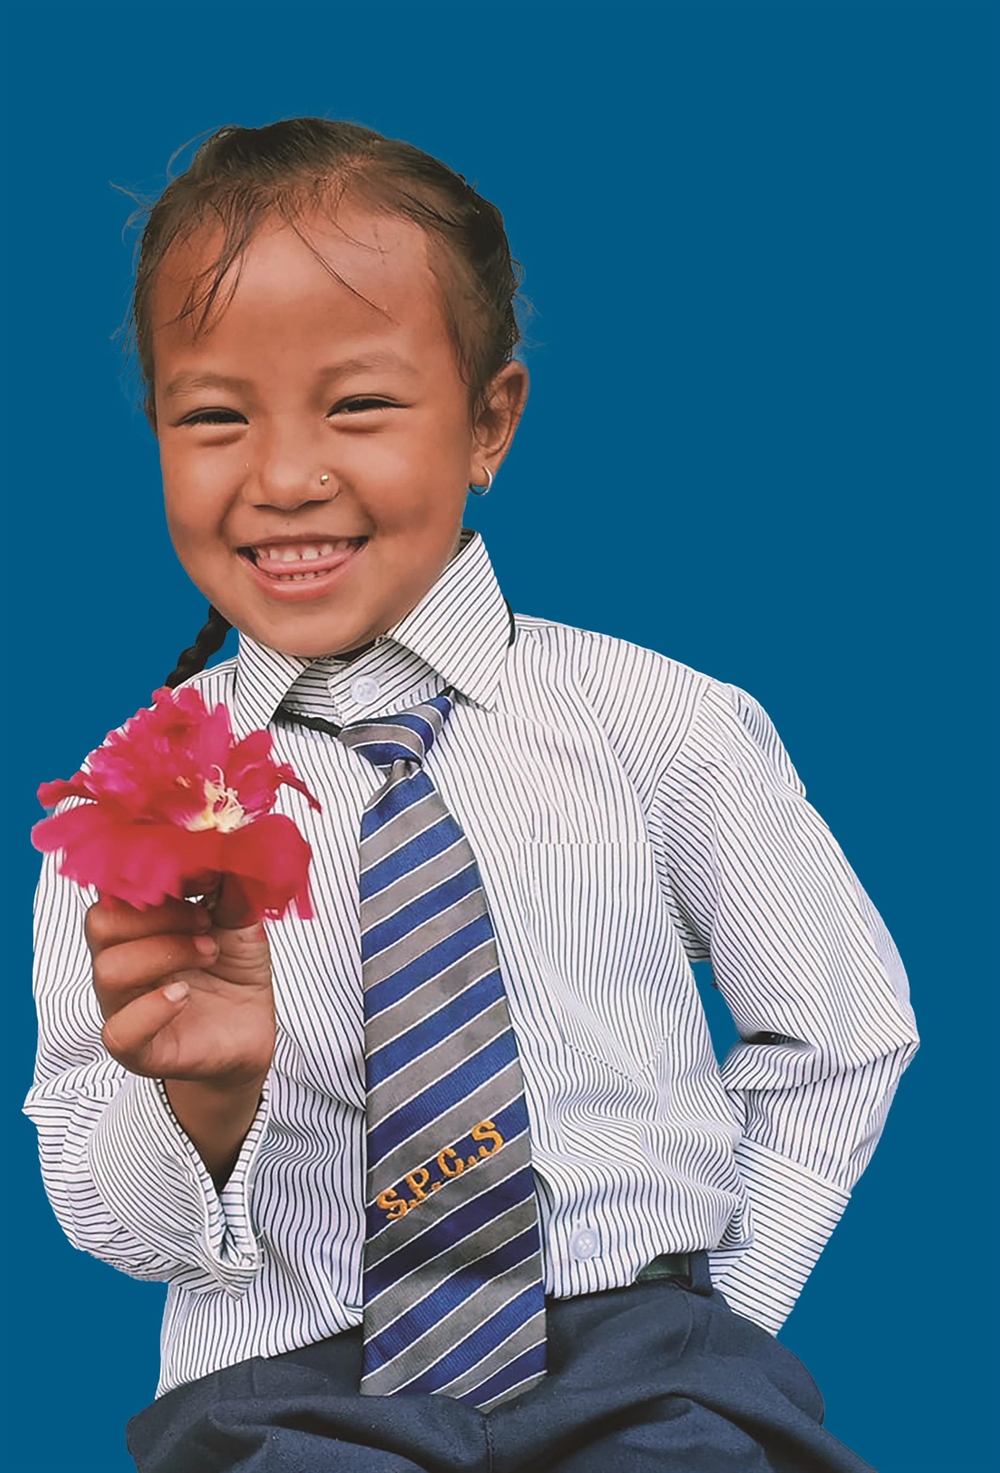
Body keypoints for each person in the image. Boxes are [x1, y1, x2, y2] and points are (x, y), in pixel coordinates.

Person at [25, 117, 918, 1473]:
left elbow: (841, 1028)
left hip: (642, 1363)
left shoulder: (661, 723)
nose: (280, 477)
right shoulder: (125, 809)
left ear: (489, 421)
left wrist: (719, 1308)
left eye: (360, 405)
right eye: (214, 416)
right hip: (288, 1380)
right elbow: (110, 1212)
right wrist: (199, 1107)